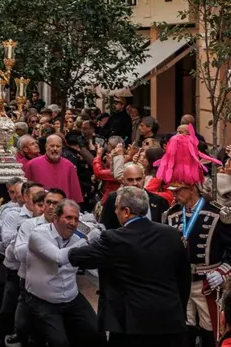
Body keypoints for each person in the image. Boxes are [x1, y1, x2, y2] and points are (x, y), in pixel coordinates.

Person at [68, 187, 190, 347]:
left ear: (126, 211)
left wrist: (88, 238)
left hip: (131, 325)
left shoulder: (114, 239)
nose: (115, 213)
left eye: (117, 209)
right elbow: (184, 278)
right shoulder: (172, 234)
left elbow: (76, 256)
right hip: (169, 319)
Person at [160, 131, 231, 346]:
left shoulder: (218, 214)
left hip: (208, 284)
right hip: (180, 285)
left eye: (178, 190)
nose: (173, 194)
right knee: (184, 332)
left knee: (211, 334)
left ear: (191, 188)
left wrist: (222, 271)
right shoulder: (170, 215)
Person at [24, 199, 104, 347]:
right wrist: (87, 241)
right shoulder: (38, 235)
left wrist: (101, 240)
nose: (73, 223)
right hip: (43, 301)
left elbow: (93, 270)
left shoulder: (77, 236)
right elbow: (59, 258)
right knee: (59, 343)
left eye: (76, 219)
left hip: (71, 297)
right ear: (55, 218)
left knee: (97, 333)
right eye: (68, 218)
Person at [11, 189, 67, 347]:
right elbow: (18, 254)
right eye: (48, 202)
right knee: (22, 326)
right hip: (29, 283)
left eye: (56, 204)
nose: (50, 207)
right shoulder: (29, 225)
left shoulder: (69, 223)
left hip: (56, 284)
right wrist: (39, 244)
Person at [0, 181, 45, 347]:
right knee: (8, 307)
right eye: (36, 198)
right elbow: (7, 240)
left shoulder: (47, 217)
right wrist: (27, 232)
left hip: (37, 272)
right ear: (24, 197)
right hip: (15, 268)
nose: (42, 202)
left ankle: (25, 335)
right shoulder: (13, 215)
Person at [99, 162, 170, 229]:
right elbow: (105, 227)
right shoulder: (113, 199)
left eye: (138, 179)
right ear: (123, 180)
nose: (135, 183)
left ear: (144, 178)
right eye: (130, 180)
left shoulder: (159, 201)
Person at [23, 134, 83, 203]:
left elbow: (75, 196)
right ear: (46, 147)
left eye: (58, 146)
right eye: (52, 146)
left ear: (61, 148)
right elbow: (26, 192)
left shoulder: (69, 166)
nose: (55, 149)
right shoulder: (32, 165)